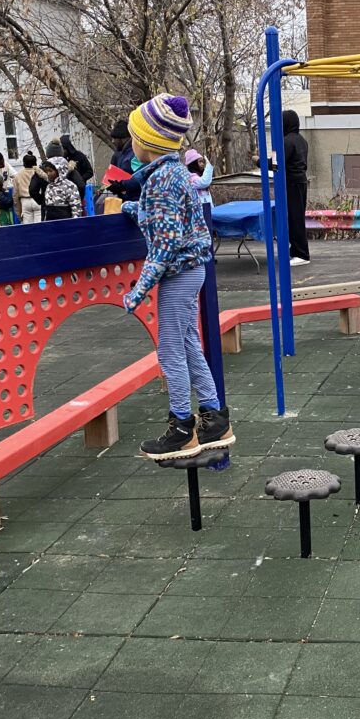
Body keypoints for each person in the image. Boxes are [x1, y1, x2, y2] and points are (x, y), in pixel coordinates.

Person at [122, 93, 235, 460]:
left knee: (170, 350)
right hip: (194, 268)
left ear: (148, 141)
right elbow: (169, 218)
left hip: (179, 272)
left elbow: (166, 242)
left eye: (134, 136)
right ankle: (215, 417)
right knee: (187, 343)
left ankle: (182, 428)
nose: (131, 143)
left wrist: (138, 290)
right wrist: (134, 208)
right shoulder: (174, 175)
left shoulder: (161, 180)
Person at [281, 110, 311, 265]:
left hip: (291, 182)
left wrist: (259, 161)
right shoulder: (301, 140)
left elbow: (277, 163)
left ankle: (301, 254)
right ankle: (297, 251)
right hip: (301, 181)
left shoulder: (286, 141)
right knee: (297, 217)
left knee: (294, 218)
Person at [13, 152, 42, 224]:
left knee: (29, 228)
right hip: (38, 200)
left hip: (25, 201)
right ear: (35, 163)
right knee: (40, 227)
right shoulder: (39, 173)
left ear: (23, 164)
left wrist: (18, 212)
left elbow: (15, 195)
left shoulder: (18, 175)